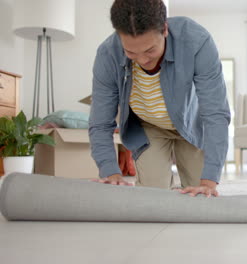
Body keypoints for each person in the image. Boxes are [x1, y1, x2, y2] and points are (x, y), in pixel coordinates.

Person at [89, 0, 230, 198]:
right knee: (153, 198)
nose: (142, 60)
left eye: (150, 50)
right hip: (149, 128)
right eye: (130, 52)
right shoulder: (107, 54)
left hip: (193, 124)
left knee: (200, 195)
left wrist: (208, 182)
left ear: (164, 29)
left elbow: (216, 112)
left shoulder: (197, 40)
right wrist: (111, 173)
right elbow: (100, 123)